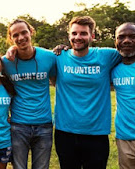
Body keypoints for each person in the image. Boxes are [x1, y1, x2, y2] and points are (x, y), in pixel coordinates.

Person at [53, 16, 121, 169]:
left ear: (92, 36)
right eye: (74, 33)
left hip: (97, 133)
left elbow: (133, 53)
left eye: (83, 33)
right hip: (65, 132)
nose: (78, 37)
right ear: (69, 36)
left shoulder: (107, 55)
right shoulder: (58, 57)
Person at [2, 19, 56, 169]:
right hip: (18, 125)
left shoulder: (49, 57)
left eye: (24, 32)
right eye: (15, 35)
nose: (20, 38)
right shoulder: (6, 62)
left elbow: (57, 80)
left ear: (31, 32)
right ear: (11, 39)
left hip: (44, 124)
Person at [111, 22, 135, 169]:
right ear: (116, 41)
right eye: (121, 37)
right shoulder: (112, 66)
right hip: (124, 138)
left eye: (133, 36)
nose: (126, 41)